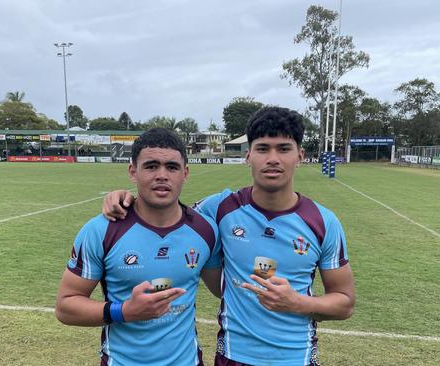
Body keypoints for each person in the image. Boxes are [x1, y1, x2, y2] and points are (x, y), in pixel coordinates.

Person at [102, 106, 355, 366]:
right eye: (262, 148)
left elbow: (344, 302)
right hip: (232, 357)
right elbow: (169, 213)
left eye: (283, 148)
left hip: (297, 358)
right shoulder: (221, 207)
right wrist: (126, 199)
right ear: (248, 156)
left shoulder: (323, 222)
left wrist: (297, 302)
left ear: (299, 156)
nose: (273, 158)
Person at [55, 128, 222, 366]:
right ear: (133, 172)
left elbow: (221, 289)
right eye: (151, 166)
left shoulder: (205, 230)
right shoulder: (101, 231)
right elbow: (65, 306)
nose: (162, 175)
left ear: (185, 173)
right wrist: (124, 311)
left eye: (172, 167)